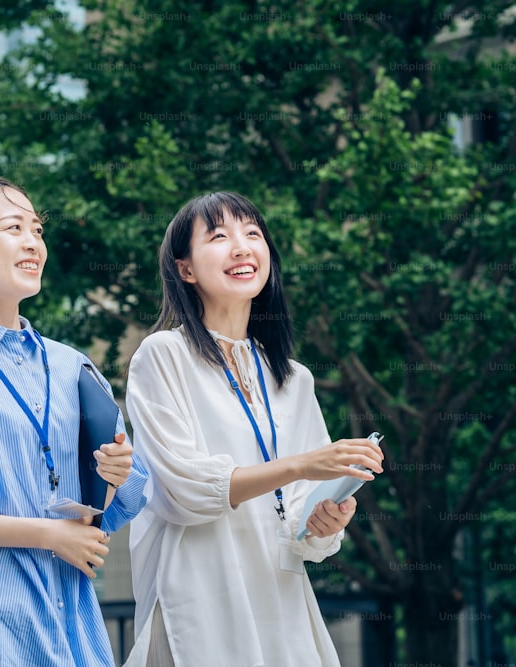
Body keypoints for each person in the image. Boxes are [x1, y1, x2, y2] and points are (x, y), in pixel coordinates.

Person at [123, 191, 386, 666]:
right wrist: (303, 465)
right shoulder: (164, 355)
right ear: (185, 269)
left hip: (280, 598)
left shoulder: (294, 377)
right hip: (198, 595)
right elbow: (183, 491)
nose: (242, 248)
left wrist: (326, 521)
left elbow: (306, 521)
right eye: (219, 236)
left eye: (252, 234)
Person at [0, 174, 148, 667]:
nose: (33, 242)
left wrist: (113, 477)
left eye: (38, 230)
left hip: (77, 632)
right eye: (13, 228)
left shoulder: (75, 366)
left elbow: (98, 518)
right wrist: (52, 535)